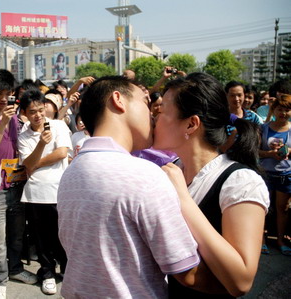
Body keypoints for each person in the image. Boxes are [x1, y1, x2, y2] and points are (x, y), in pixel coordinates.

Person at [58, 76, 208, 299]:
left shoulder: (70, 173)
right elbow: (186, 272)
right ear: (118, 100)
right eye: (146, 104)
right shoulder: (144, 175)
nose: (152, 115)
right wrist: (232, 282)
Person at [154, 72, 269, 297]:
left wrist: (184, 201)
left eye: (162, 111)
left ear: (191, 124)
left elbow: (241, 281)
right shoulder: (171, 170)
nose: (154, 118)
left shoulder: (240, 182)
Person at [0, 69, 37, 299]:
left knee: (17, 235)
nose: (3, 98)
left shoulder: (16, 116)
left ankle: (16, 269)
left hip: (16, 183)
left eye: (7, 93)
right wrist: (2, 122)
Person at [18, 89, 72, 295]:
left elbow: (61, 153)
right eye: (33, 112)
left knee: (63, 235)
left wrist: (34, 164)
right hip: (35, 194)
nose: (38, 115)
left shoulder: (58, 125)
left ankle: (67, 269)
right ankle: (47, 272)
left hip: (60, 191)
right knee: (41, 238)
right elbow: (27, 163)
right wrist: (41, 143)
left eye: (41, 110)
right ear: (24, 113)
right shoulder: (23, 134)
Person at [259, 94, 291, 256]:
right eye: (280, 109)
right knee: (264, 208)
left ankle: (280, 240)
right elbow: (256, 151)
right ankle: (261, 240)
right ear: (274, 110)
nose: (283, 113)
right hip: (265, 175)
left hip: (285, 176)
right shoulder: (264, 128)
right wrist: (270, 154)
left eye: (287, 110)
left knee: (282, 209)